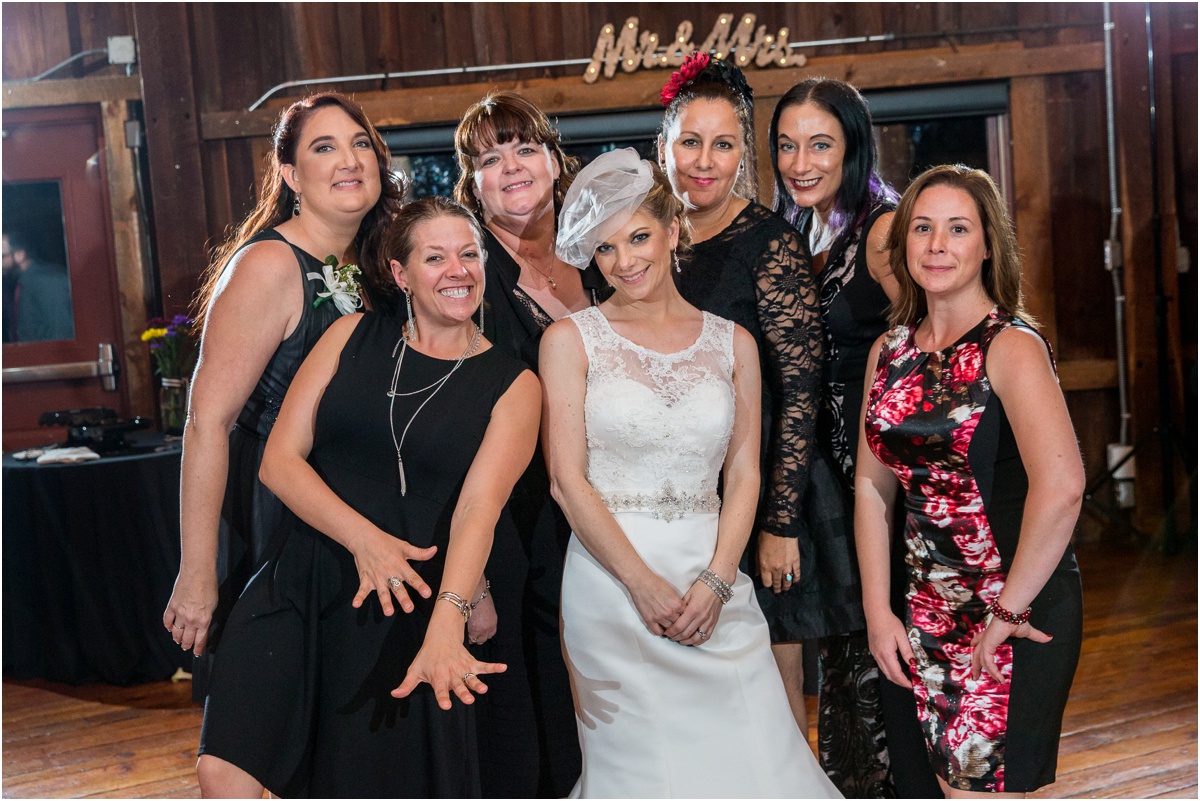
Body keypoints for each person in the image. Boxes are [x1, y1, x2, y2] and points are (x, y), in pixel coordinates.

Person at [195, 196, 542, 797]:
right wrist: (365, 541)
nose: (457, 270)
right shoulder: (350, 333)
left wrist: (445, 629)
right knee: (223, 768)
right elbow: (279, 463)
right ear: (401, 275)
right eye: (435, 258)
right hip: (303, 576)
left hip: (404, 604)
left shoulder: (514, 385)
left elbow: (477, 514)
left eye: (469, 255)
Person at [541, 148, 841, 799]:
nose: (626, 261)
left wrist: (716, 580)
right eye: (607, 247)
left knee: (759, 757)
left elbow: (743, 471)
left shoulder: (734, 342)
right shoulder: (570, 341)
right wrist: (641, 584)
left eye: (640, 236)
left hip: (715, 572)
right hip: (611, 586)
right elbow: (566, 479)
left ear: (673, 230)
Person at [162, 92, 403, 713]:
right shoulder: (271, 264)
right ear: (292, 176)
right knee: (258, 722)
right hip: (270, 517)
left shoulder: (375, 268)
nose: (349, 159)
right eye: (324, 147)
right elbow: (205, 423)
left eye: (359, 144)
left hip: (347, 513)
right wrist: (197, 573)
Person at [857, 165, 1084, 796]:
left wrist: (1008, 609)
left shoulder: (1010, 346)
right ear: (902, 242)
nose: (937, 245)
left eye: (958, 229)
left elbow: (1063, 487)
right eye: (923, 228)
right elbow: (873, 490)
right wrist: (880, 611)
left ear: (988, 244)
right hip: (924, 613)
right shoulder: (890, 351)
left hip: (1012, 605)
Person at [769, 77, 941, 797]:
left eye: (820, 144)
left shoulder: (883, 229)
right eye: (785, 144)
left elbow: (933, 350)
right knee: (853, 673)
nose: (799, 161)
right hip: (834, 486)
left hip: (887, 488)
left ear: (853, 146)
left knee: (893, 674)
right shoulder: (809, 224)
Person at [659, 53, 828, 738]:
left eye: (723, 143)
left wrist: (780, 522)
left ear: (741, 155)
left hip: (757, 497)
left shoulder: (771, 244)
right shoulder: (644, 239)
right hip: (673, 500)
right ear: (663, 145)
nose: (705, 159)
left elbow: (801, 389)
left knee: (772, 684)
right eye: (690, 141)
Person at [453, 90, 605, 797]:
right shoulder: (467, 279)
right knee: (531, 733)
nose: (512, 165)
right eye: (490, 156)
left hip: (603, 515)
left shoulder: (600, 260)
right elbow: (449, 428)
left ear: (553, 160)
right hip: (516, 533)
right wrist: (472, 578)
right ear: (471, 182)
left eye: (524, 147)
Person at [2, 230, 75, 342]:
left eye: (2, 256)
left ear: (20, 255)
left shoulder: (47, 282)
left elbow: (62, 333)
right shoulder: (19, 284)